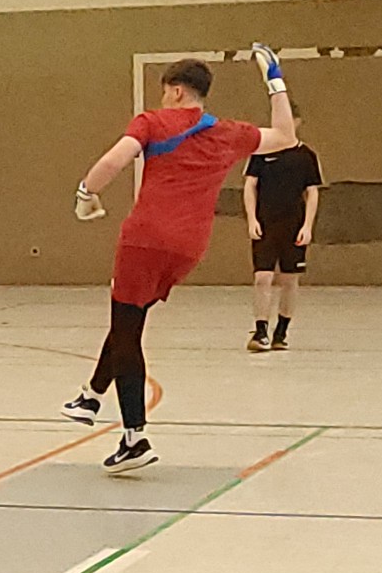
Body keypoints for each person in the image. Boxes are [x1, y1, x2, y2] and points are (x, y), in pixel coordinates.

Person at [61, 45, 299, 473]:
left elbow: (114, 160)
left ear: (174, 91)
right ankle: (91, 396)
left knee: (128, 331)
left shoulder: (152, 122)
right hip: (189, 247)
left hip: (145, 239)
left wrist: (86, 193)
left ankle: (134, 439)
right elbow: (286, 137)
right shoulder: (228, 133)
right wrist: (274, 80)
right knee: (129, 319)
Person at [243, 110, 323, 352]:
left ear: (297, 122)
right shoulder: (261, 152)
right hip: (266, 223)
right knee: (262, 277)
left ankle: (282, 331)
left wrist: (307, 226)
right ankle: (260, 330)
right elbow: (250, 185)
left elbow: (312, 192)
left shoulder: (305, 155)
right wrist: (252, 219)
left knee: (289, 279)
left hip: (293, 225)